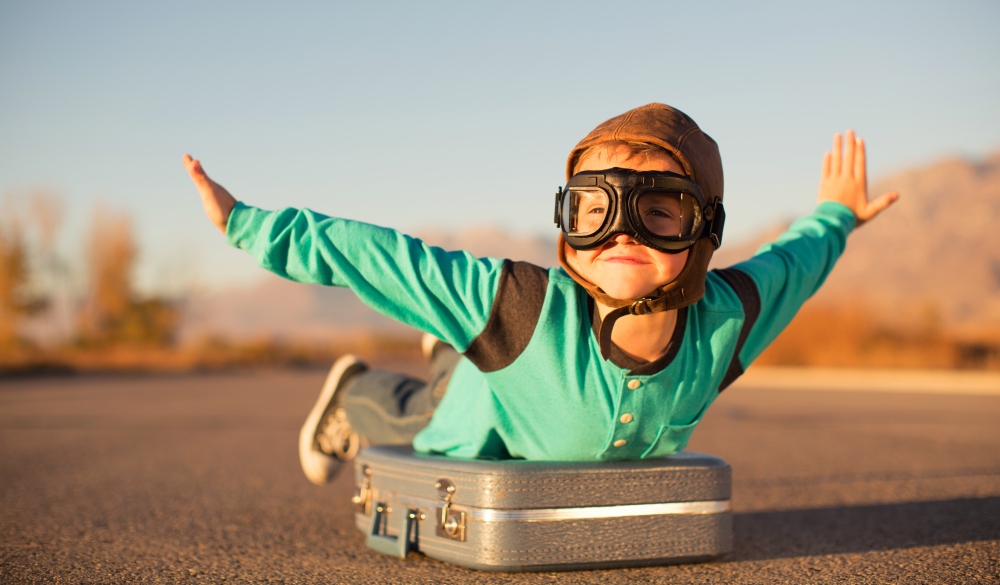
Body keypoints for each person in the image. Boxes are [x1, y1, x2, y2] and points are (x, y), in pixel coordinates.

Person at [183, 103, 898, 485]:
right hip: (493, 404)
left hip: (497, 354)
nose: (622, 231)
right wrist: (249, 226)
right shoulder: (518, 304)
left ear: (703, 227)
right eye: (595, 209)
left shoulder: (727, 319)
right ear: (567, 221)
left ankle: (451, 343)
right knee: (437, 429)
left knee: (465, 346)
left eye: (659, 210)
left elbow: (794, 263)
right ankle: (355, 392)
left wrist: (836, 216)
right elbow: (382, 259)